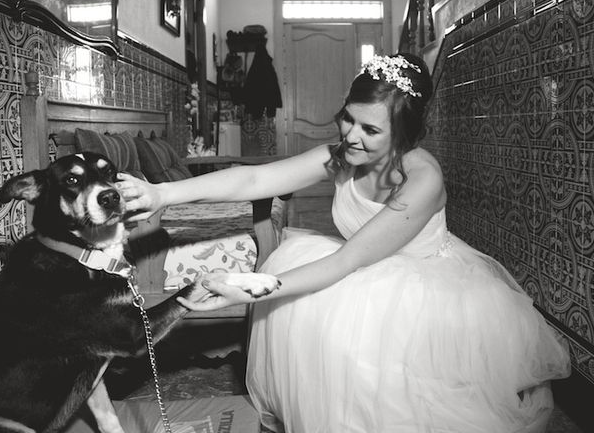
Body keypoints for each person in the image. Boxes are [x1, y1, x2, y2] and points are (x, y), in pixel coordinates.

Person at [117, 53, 571, 433]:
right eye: (348, 119)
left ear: (404, 132)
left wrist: (250, 286)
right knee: (317, 337)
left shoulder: (422, 177)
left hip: (426, 287)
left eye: (370, 130)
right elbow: (256, 178)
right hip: (360, 270)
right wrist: (164, 193)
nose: (351, 136)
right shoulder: (341, 155)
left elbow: (348, 260)